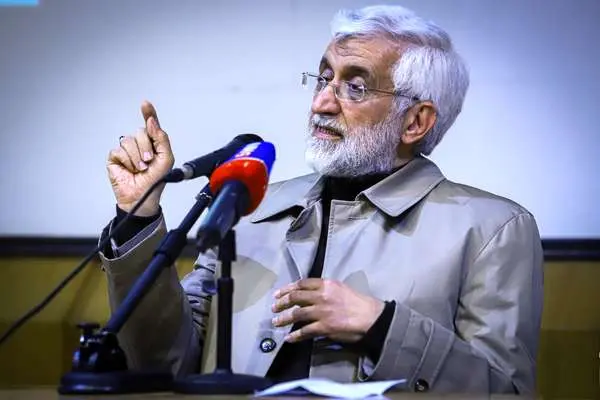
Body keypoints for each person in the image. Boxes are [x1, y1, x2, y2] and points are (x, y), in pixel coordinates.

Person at [100, 4, 543, 394]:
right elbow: (165, 363)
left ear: (415, 122)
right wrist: (139, 216)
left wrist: (382, 328)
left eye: (356, 87)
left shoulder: (492, 230)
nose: (322, 103)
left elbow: (504, 390)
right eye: (324, 78)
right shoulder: (248, 208)